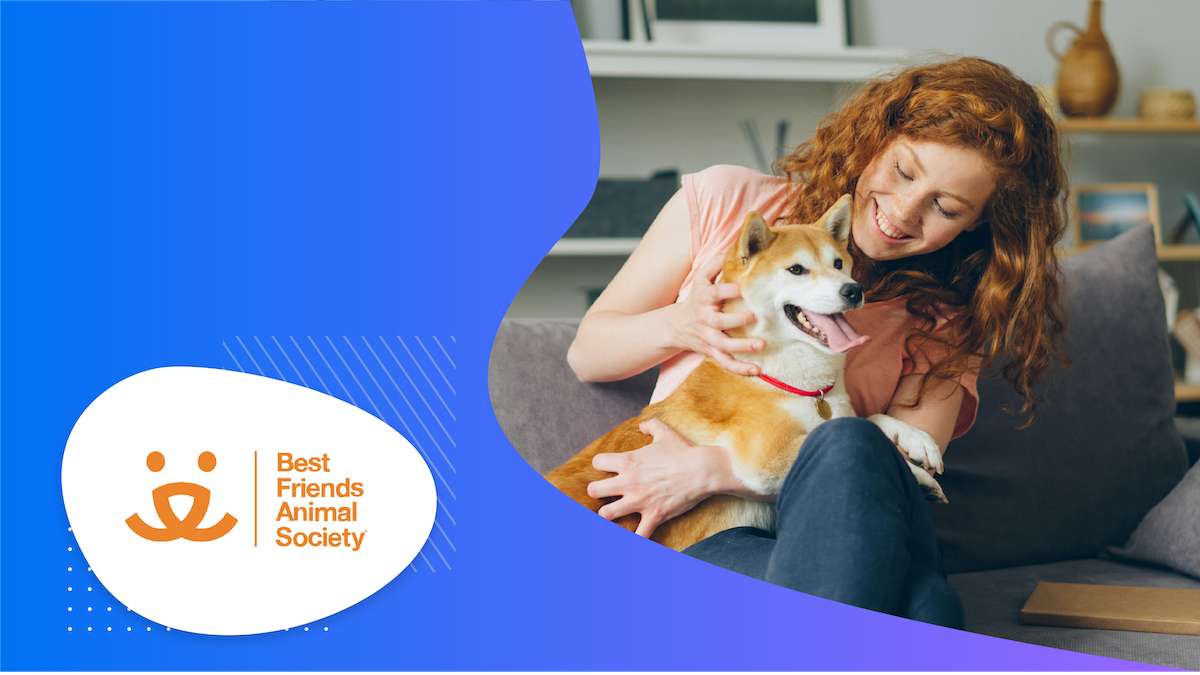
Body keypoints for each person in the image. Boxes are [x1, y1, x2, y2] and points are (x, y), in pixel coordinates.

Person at [564, 56, 1069, 627]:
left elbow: (905, 475)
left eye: (947, 206)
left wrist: (710, 472)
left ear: (977, 223)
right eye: (903, 172)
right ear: (875, 140)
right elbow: (588, 353)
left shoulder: (945, 319)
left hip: (851, 523)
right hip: (714, 536)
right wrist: (679, 324)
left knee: (852, 443)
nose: (902, 212)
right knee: (926, 606)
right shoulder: (728, 202)